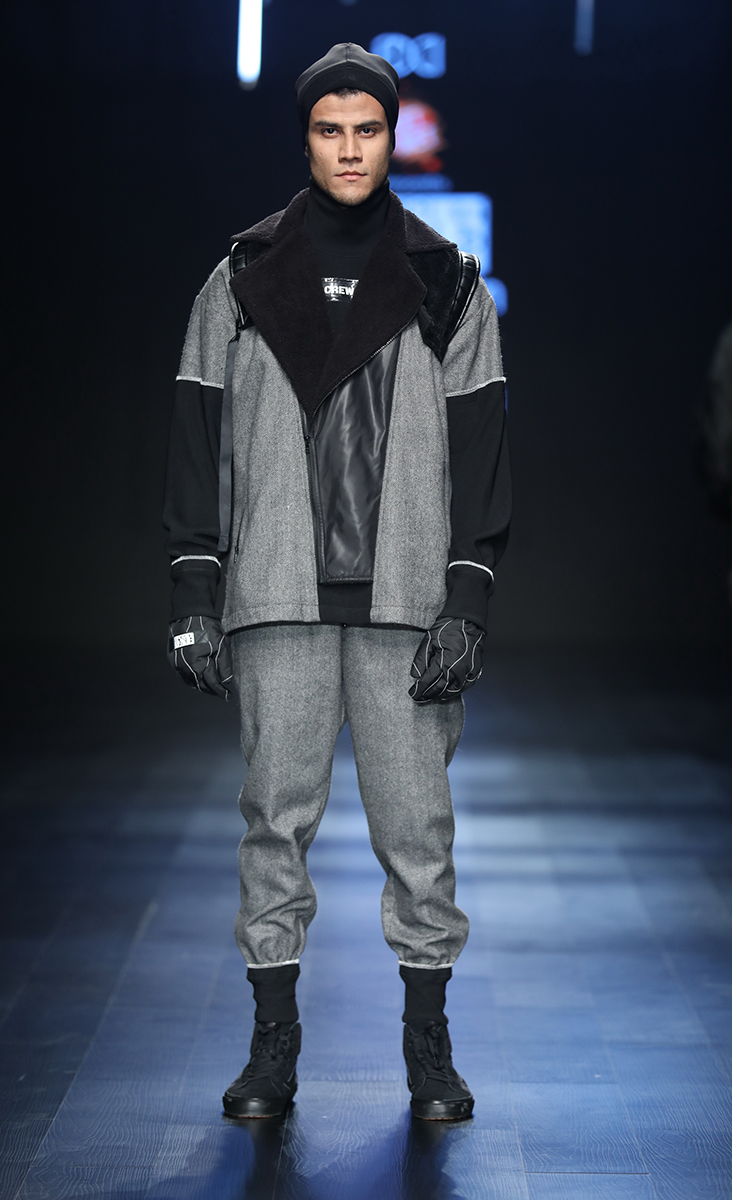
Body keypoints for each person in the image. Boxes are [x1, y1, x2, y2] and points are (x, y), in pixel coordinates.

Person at [163, 42, 511, 1121]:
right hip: (276, 593)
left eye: (368, 129)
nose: (350, 149)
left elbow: (481, 448)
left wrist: (467, 595)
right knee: (274, 824)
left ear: (391, 137)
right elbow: (197, 434)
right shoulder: (237, 279)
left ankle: (427, 1048)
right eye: (330, 129)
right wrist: (193, 589)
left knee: (419, 837)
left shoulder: (448, 283)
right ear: (305, 139)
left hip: (407, 599)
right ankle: (273, 1049)